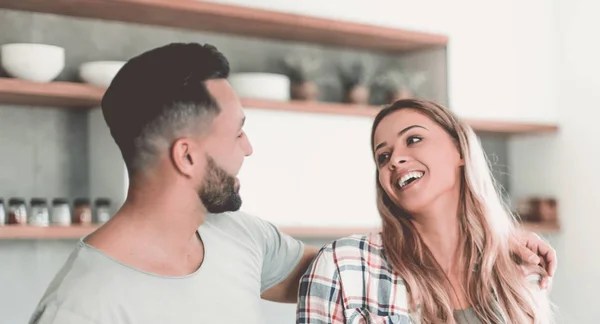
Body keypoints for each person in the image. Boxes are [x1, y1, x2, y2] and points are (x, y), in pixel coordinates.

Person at [28, 43, 555, 324]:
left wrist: (487, 242)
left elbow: (364, 267)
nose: (249, 148)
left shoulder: (238, 238)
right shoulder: (81, 309)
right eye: (237, 133)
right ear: (187, 156)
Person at [297, 99, 555, 324]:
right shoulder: (344, 266)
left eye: (413, 140)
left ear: (459, 150)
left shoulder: (516, 266)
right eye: (383, 156)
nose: (395, 159)